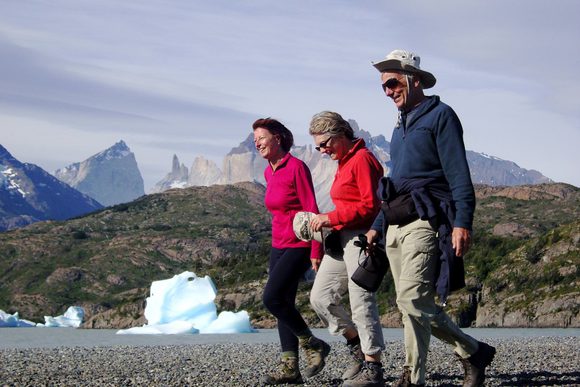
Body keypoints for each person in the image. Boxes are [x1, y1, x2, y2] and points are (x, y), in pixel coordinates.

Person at [365, 49, 496, 387]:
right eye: (383, 86)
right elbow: (396, 184)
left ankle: (433, 366)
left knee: (411, 298)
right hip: (395, 223)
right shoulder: (399, 126)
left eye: (393, 83)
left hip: (427, 218)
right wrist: (378, 227)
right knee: (409, 303)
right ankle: (453, 359)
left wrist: (462, 222)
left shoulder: (442, 116)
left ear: (415, 80)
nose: (388, 90)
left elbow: (458, 175)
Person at [307, 111, 386, 387]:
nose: (322, 150)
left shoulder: (363, 159)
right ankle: (356, 347)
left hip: (362, 238)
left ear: (341, 134)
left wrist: (331, 217)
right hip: (342, 239)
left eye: (325, 143)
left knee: (361, 300)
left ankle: (373, 368)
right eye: (318, 147)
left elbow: (371, 207)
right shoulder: (344, 161)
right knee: (320, 297)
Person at [253, 118, 330, 385]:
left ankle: (313, 343)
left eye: (261, 138)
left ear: (277, 138)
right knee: (282, 304)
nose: (257, 143)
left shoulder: (296, 167)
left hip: (299, 245)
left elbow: (312, 208)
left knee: (271, 298)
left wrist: (316, 250)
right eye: (255, 140)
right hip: (277, 245)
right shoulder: (268, 171)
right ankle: (290, 368)